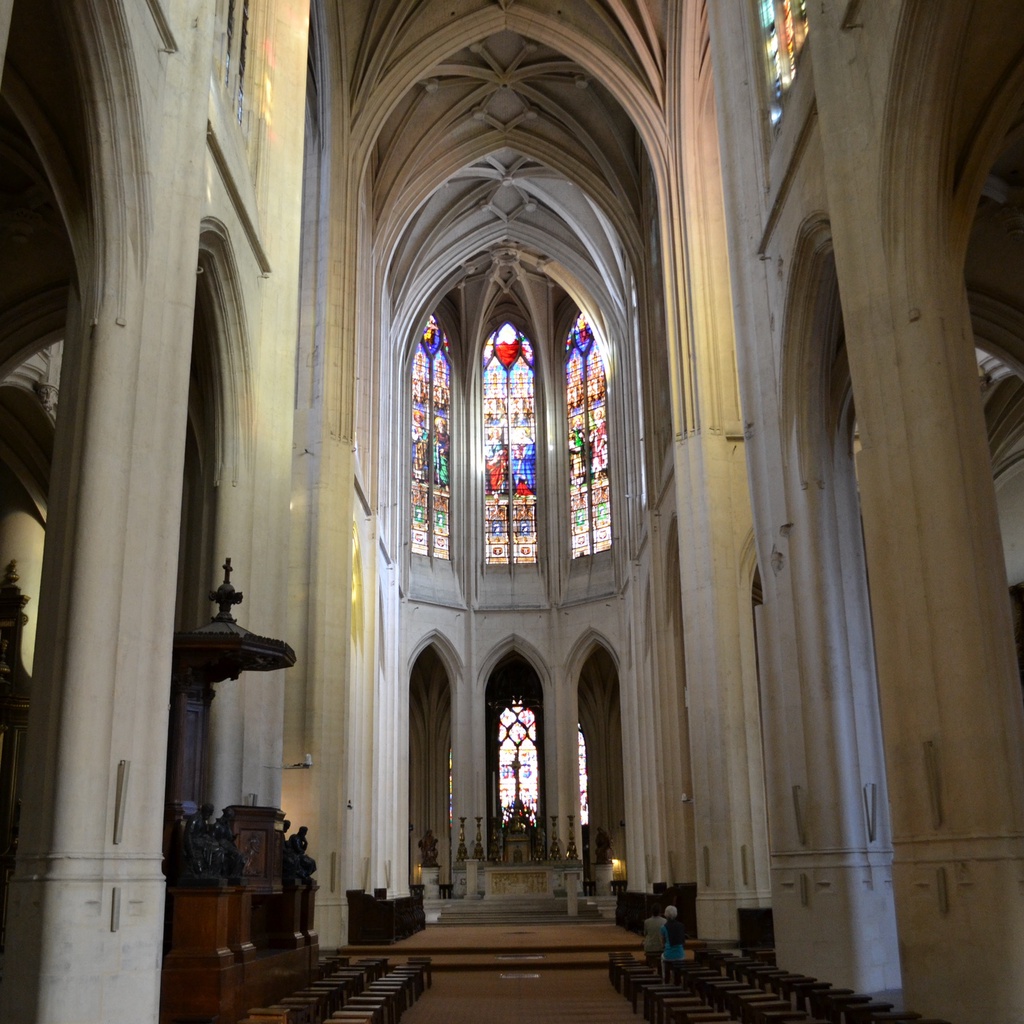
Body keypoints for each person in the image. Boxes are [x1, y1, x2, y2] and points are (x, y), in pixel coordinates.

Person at [661, 904, 686, 976]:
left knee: (662, 958)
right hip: (680, 955)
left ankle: (665, 979)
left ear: (666, 914)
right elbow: (683, 942)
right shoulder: (681, 926)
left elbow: (663, 943)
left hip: (668, 955)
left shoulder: (663, 927)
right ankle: (678, 981)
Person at [642, 903, 666, 969]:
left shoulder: (647, 922)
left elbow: (645, 934)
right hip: (661, 946)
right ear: (660, 911)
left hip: (650, 947)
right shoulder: (665, 921)